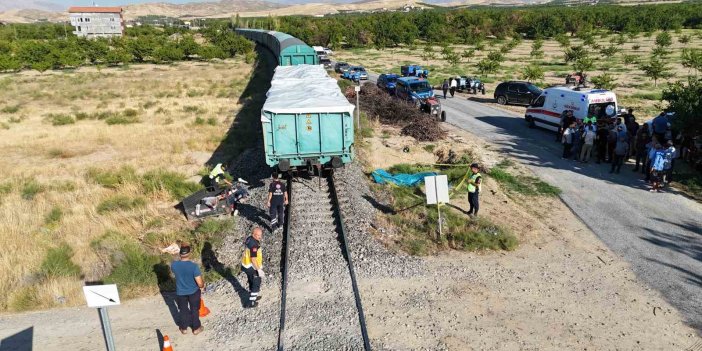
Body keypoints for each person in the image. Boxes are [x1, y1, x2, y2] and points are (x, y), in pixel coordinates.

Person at [170, 245, 205, 335]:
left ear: (180, 254)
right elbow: (200, 283)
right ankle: (196, 328)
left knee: (183, 310)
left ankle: (184, 328)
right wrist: (202, 285)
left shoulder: (174, 265)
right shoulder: (194, 267)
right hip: (193, 291)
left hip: (180, 292)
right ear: (189, 253)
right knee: (194, 309)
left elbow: (176, 268)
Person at [241, 227, 264, 308]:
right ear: (253, 234)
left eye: (260, 235)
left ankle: (253, 296)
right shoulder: (254, 245)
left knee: (251, 281)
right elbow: (253, 259)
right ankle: (251, 302)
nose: (260, 237)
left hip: (246, 265)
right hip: (252, 267)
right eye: (258, 235)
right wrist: (259, 269)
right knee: (256, 283)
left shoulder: (249, 239)